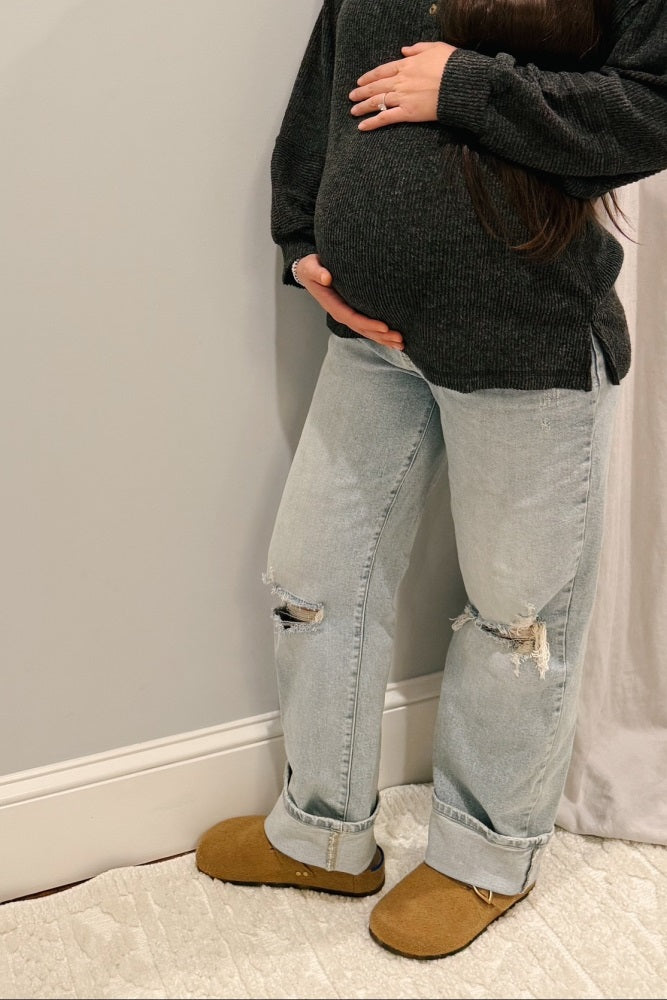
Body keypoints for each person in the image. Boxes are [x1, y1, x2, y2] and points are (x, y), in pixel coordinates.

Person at [196, 0, 667, 960]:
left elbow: (649, 108)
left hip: (525, 339)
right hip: (372, 343)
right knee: (314, 583)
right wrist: (301, 238)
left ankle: (486, 856)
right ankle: (321, 835)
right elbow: (325, 88)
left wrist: (465, 86)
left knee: (515, 619)